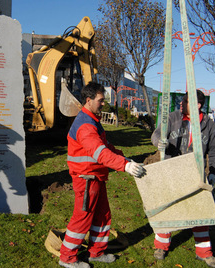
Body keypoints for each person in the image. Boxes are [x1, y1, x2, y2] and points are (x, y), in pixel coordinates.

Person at [59, 82, 146, 268]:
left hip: (95, 177)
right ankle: (67, 258)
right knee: (82, 218)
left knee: (102, 216)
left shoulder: (91, 121)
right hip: (86, 179)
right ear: (89, 100)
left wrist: (125, 159)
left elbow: (106, 148)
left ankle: (96, 253)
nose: (103, 104)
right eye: (100, 100)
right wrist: (125, 166)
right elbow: (100, 153)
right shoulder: (86, 125)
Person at [151, 90, 215, 268]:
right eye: (182, 100)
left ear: (198, 105)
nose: (181, 104)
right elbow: (156, 134)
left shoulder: (208, 124)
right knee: (167, 210)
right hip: (171, 171)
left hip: (195, 173)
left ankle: (204, 253)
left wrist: (213, 172)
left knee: (199, 213)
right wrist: (159, 142)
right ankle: (161, 246)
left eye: (185, 101)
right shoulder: (173, 117)